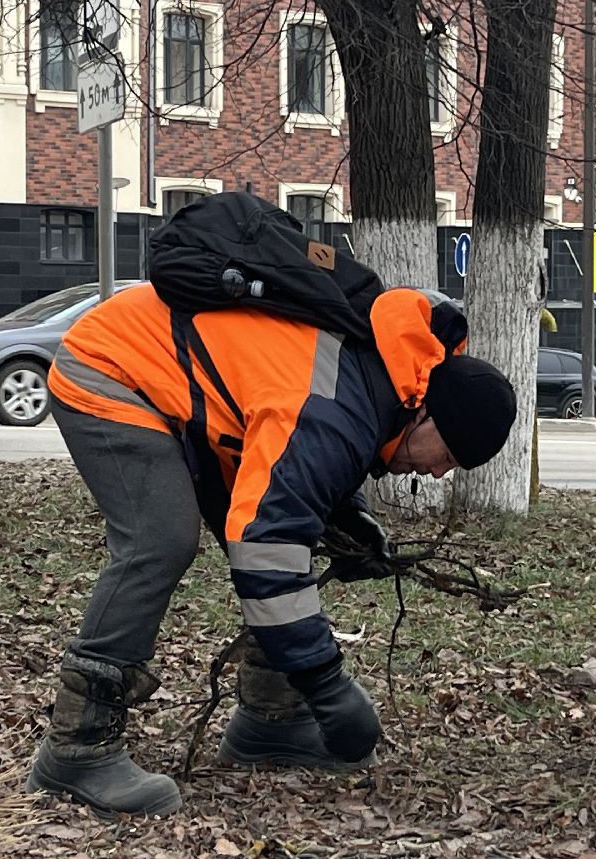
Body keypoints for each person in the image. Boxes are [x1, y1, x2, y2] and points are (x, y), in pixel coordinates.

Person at [27, 279, 517, 817]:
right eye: (447, 454)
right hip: (114, 367)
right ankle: (77, 745)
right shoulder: (337, 410)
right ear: (424, 414)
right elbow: (268, 543)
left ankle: (271, 720)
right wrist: (326, 683)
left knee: (285, 537)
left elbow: (297, 476)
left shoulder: (378, 387)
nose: (438, 472)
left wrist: (343, 516)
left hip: (197, 394)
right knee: (161, 539)